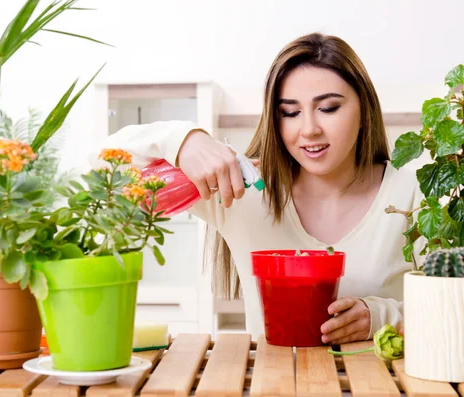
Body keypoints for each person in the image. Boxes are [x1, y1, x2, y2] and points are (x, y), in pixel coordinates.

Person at [90, 32, 422, 344]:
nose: (308, 129)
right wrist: (182, 141)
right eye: (290, 113)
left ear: (363, 108)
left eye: (328, 108)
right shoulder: (242, 190)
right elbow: (99, 166)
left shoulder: (414, 195)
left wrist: (381, 317)